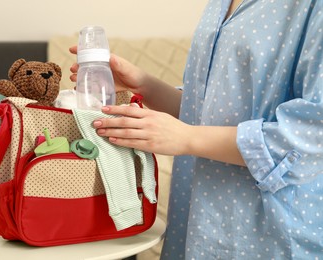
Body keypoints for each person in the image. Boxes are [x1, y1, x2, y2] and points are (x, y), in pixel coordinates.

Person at [69, 0, 323, 258]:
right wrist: (146, 86)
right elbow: (212, 112)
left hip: (269, 236)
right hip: (196, 225)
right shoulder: (219, 4)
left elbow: (311, 135)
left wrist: (186, 138)